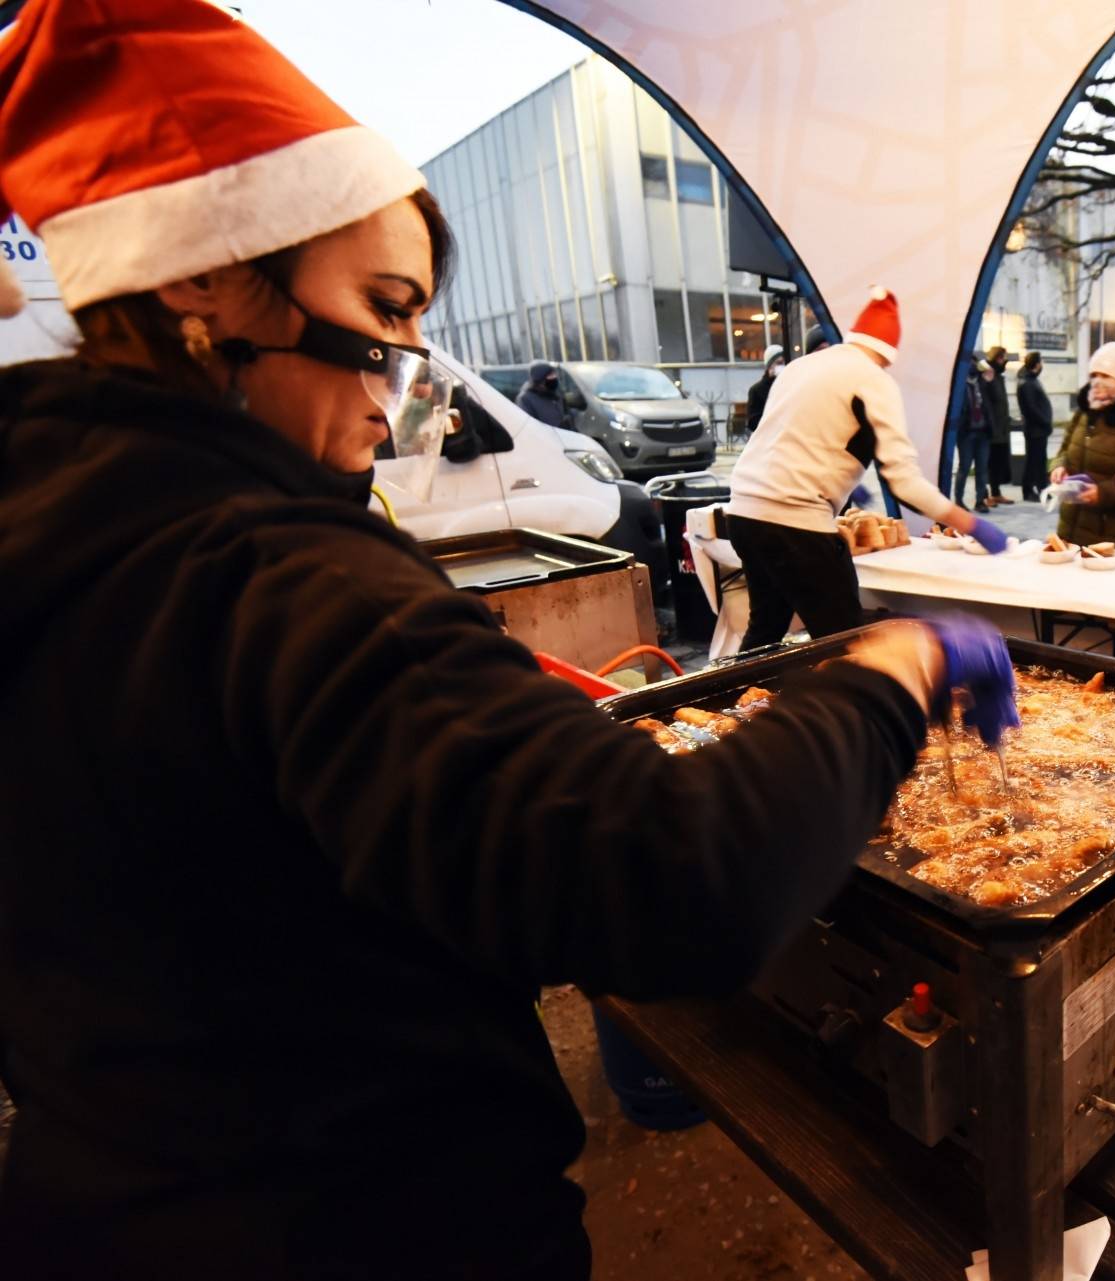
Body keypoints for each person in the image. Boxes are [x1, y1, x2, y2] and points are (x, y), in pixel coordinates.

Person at [0, 3, 1021, 1275]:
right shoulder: (268, 572)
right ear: (203, 279)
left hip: (100, 1193)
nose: (396, 380)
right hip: (364, 1225)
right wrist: (890, 669)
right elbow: (674, 882)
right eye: (384, 306)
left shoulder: (53, 529)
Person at [728, 289, 1008, 649]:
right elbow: (902, 480)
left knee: (765, 630)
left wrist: (841, 479)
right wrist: (968, 522)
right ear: (889, 351)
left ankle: (733, 702)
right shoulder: (872, 379)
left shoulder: (800, 367)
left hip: (744, 515)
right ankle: (846, 705)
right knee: (845, 644)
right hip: (797, 525)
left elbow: (790, 438)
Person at [1048, 341, 1115, 556]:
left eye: (1106, 376)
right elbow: (1063, 451)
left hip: (1114, 535)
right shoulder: (1084, 413)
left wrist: (1104, 494)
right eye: (1094, 375)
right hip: (1071, 528)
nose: (1098, 382)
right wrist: (1058, 467)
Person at [951, 359, 995, 513]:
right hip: (966, 434)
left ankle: (980, 501)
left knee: (982, 468)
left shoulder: (982, 384)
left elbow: (992, 400)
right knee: (964, 467)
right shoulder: (959, 385)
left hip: (983, 433)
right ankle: (958, 500)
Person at [1017, 350, 1053, 501]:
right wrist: (1045, 421)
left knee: (1040, 460)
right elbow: (1031, 408)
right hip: (1035, 429)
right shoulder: (1026, 383)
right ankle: (1028, 490)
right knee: (1033, 460)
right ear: (1037, 364)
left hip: (1039, 429)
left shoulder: (1031, 380)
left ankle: (1042, 487)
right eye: (1041, 362)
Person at [982, 345, 1015, 505]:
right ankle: (986, 495)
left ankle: (996, 493)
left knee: (998, 463)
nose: (1004, 362)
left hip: (1001, 427)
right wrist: (992, 426)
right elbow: (988, 403)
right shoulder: (988, 376)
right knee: (990, 462)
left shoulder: (999, 377)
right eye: (1002, 358)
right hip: (992, 428)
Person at [743, 344, 784, 436]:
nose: (783, 366)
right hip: (770, 438)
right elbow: (753, 422)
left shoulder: (791, 384)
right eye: (779, 363)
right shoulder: (756, 390)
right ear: (770, 366)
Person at [516, 359, 566, 427]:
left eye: (554, 375)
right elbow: (529, 427)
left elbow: (565, 412)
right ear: (540, 380)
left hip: (564, 436)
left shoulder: (555, 393)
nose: (554, 378)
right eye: (550, 376)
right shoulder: (525, 399)